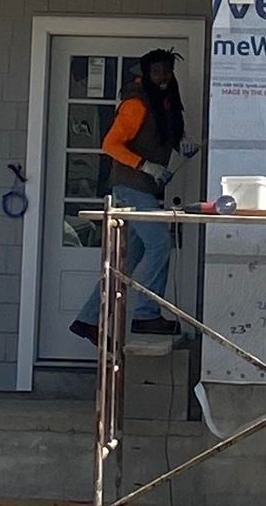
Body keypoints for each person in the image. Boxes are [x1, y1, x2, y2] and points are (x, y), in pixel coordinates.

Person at [69, 49, 187, 345]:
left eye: (167, 71)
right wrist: (145, 165)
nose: (163, 77)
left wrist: (181, 145)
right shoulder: (136, 102)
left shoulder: (165, 101)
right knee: (160, 244)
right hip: (129, 188)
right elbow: (110, 144)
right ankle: (146, 314)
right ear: (146, 74)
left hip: (144, 188)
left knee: (128, 260)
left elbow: (161, 136)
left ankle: (87, 321)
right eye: (157, 72)